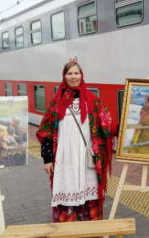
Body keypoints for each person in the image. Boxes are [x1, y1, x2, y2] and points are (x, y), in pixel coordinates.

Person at [36, 57, 114, 223]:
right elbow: (46, 131)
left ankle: (89, 223)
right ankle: (69, 225)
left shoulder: (92, 100)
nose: (73, 77)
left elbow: (106, 122)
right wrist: (47, 159)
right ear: (64, 76)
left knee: (88, 185)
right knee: (68, 185)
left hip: (86, 155)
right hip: (64, 155)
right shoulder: (56, 102)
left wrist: (123, 128)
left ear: (81, 75)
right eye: (69, 73)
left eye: (76, 73)